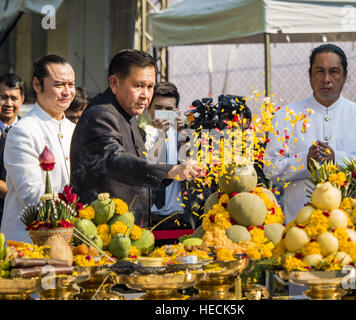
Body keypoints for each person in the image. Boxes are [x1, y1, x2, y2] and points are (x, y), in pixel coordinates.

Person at [70, 49, 203, 228]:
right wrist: (169, 171)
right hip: (104, 233)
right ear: (114, 83)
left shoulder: (128, 113)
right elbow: (114, 159)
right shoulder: (101, 115)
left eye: (150, 87)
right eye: (138, 86)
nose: (146, 95)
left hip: (130, 229)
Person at [264, 43, 356, 224]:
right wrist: (304, 161)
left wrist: (337, 159)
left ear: (345, 76)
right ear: (309, 75)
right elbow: (270, 169)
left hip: (352, 226)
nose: (327, 79)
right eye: (320, 71)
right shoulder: (286, 116)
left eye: (334, 71)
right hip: (299, 227)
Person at [0, 55, 76, 241]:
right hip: (28, 244)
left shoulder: (76, 131)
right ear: (37, 84)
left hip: (71, 241)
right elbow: (33, 196)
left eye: (71, 84)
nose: (67, 92)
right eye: (59, 85)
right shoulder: (23, 131)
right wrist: (80, 215)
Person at [147, 82, 193, 231]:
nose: (163, 114)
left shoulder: (183, 136)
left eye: (168, 110)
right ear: (149, 109)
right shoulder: (140, 135)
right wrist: (160, 135)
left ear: (176, 112)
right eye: (158, 109)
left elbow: (191, 169)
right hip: (148, 219)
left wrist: (184, 134)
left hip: (178, 219)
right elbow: (150, 166)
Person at [0, 73, 25, 227]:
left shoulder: (29, 130)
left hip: (22, 216)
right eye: (3, 97)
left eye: (14, 98)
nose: (8, 103)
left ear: (22, 100)